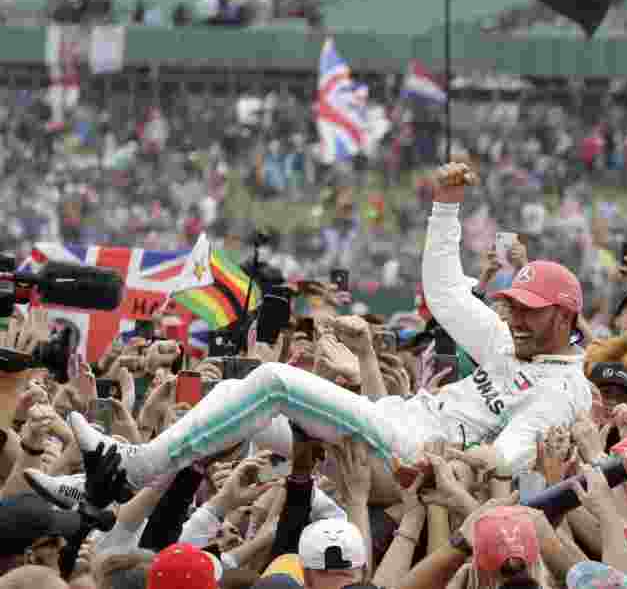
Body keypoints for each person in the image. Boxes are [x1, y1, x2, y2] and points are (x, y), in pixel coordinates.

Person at [69, 162, 592, 487]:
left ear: (565, 315)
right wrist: (445, 210)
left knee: (272, 381)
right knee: (231, 399)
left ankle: (131, 468)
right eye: (513, 304)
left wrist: (470, 457)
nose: (514, 316)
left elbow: (510, 456)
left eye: (529, 309)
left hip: (415, 455)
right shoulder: (508, 343)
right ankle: (98, 483)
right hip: (393, 420)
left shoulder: (565, 390)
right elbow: (448, 293)